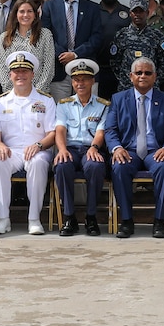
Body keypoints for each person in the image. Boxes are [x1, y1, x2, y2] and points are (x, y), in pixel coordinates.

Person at [104, 56, 164, 238]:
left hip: (156, 151)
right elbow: (110, 129)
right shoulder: (119, 99)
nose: (143, 76)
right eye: (138, 73)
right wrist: (117, 148)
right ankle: (127, 221)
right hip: (129, 151)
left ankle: (159, 221)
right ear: (131, 76)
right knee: (119, 167)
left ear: (154, 76)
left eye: (147, 73)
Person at [0, 50, 57, 236]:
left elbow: (52, 133)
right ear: (10, 75)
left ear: (33, 74)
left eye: (25, 71)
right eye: (16, 71)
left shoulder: (46, 100)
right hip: (11, 150)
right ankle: (3, 218)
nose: (20, 75)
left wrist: (39, 145)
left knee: (38, 163)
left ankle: (34, 219)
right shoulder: (0, 102)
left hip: (38, 149)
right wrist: (0, 146)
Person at [53, 58, 111, 237]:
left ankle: (91, 217)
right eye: (77, 79)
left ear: (93, 81)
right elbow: (60, 130)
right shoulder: (64, 104)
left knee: (95, 167)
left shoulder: (103, 105)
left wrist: (94, 147)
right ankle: (69, 217)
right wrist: (62, 150)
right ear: (72, 82)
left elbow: (101, 132)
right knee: (62, 166)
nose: (81, 83)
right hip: (70, 149)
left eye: (85, 79)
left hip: (90, 149)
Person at [41, 0, 103, 96]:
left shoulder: (93, 8)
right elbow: (45, 35)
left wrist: (74, 54)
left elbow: (97, 37)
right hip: (59, 71)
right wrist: (62, 54)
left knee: (88, 113)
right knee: (61, 112)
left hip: (86, 70)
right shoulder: (49, 6)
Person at [0, 0, 55, 96]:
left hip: (39, 95)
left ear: (35, 14)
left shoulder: (45, 35)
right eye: (22, 11)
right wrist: (12, 93)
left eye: (30, 11)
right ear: (15, 14)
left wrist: (36, 93)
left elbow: (48, 68)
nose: (26, 15)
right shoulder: (4, 37)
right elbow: (1, 68)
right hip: (12, 96)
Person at [110, 0, 164, 92]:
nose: (137, 15)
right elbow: (114, 61)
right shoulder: (122, 35)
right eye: (135, 11)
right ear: (130, 14)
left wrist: (154, 80)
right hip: (126, 88)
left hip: (151, 88)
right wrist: (124, 79)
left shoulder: (156, 35)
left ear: (147, 13)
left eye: (141, 11)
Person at [94, 0, 130, 98]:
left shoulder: (128, 12)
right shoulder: (92, 11)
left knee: (121, 104)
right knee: (100, 105)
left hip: (122, 69)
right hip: (98, 68)